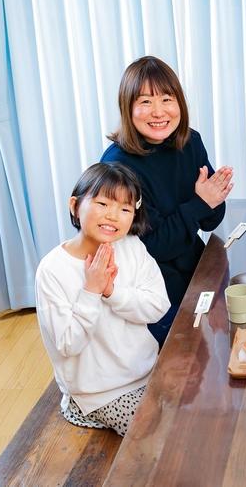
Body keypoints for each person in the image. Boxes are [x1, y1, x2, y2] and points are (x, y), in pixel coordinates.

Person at [101, 56, 234, 346]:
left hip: (192, 269)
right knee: (186, 366)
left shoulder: (189, 142)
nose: (158, 112)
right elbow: (154, 246)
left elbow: (211, 218)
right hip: (150, 288)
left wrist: (209, 200)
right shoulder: (119, 168)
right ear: (128, 108)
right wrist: (201, 203)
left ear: (180, 104)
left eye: (166, 99)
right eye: (145, 102)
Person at [35, 162, 170, 436]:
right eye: (102, 203)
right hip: (100, 392)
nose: (113, 216)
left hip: (148, 370)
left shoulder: (131, 246)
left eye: (124, 209)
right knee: (157, 435)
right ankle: (76, 408)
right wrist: (92, 291)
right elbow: (68, 344)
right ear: (75, 206)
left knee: (201, 410)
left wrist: (112, 292)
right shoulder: (52, 270)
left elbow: (158, 306)